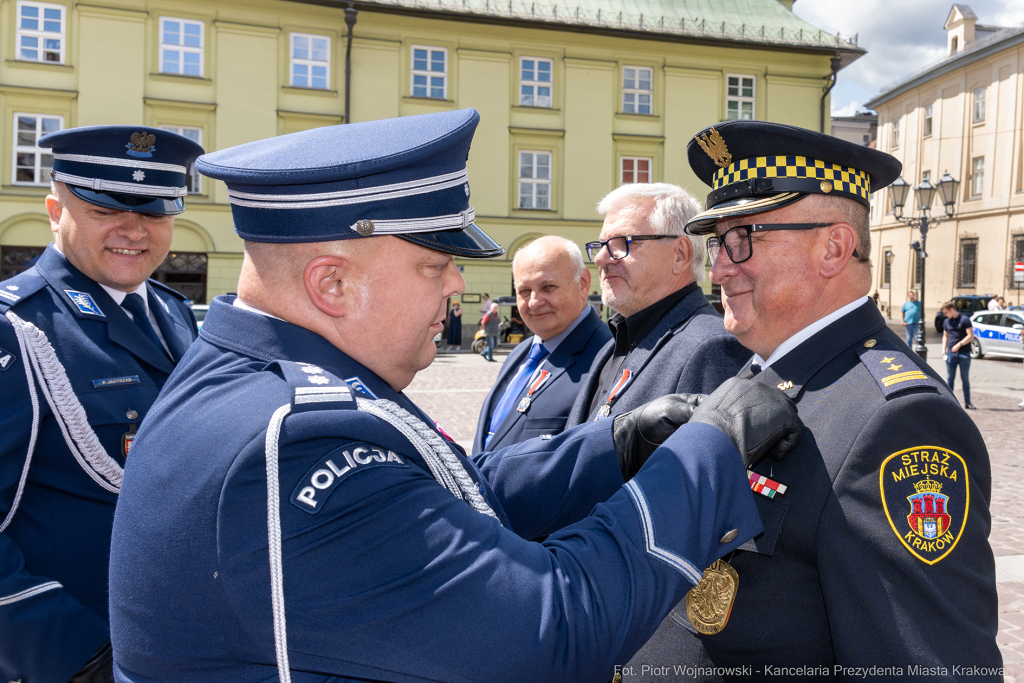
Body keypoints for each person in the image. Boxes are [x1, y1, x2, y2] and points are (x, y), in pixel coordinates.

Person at [106, 109, 803, 682]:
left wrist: (612, 445)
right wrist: (708, 453)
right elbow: (552, 626)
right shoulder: (294, 440)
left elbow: (448, 487)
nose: (456, 289)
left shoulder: (267, 379)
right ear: (332, 284)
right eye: (435, 264)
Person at [624, 120, 1000, 678]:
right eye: (717, 241)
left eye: (742, 238)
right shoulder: (760, 372)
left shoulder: (898, 419)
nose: (720, 266)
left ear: (833, 247)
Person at [0, 126, 204, 682]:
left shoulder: (172, 313)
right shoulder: (14, 329)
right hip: (81, 649)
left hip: (178, 638)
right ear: (53, 210)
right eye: (105, 208)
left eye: (156, 211)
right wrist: (73, 656)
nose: (134, 230)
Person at [566, 183, 749, 426]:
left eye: (622, 242)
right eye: (601, 245)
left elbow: (700, 460)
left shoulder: (711, 348)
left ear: (680, 254)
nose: (601, 258)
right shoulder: (616, 344)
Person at [472, 236, 611, 453]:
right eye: (524, 291)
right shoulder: (521, 352)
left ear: (583, 283)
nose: (534, 302)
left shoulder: (609, 357)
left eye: (548, 287)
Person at [942, 300, 977, 410]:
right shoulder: (947, 322)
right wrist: (943, 349)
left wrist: (959, 344)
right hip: (951, 354)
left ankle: (967, 402)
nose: (945, 315)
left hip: (964, 354)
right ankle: (949, 403)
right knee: (949, 379)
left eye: (946, 312)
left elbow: (970, 335)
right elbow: (945, 336)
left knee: (965, 379)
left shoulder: (965, 319)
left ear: (952, 310)